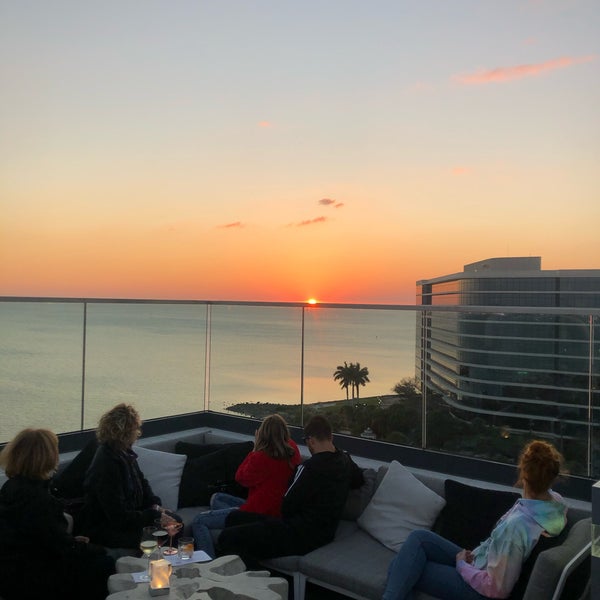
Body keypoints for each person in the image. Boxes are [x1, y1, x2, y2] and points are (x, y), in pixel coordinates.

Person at [381, 440, 568, 600]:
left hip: (480, 591)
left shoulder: (517, 527)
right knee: (418, 538)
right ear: (551, 478)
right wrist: (473, 558)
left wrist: (462, 566)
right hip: (480, 562)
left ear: (523, 475)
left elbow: (497, 589)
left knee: (400, 566)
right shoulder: (554, 504)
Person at [217, 414, 364, 565]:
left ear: (311, 441)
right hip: (323, 532)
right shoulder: (345, 460)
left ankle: (245, 576)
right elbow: (359, 480)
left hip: (300, 534)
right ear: (331, 437)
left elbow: (287, 505)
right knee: (234, 518)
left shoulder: (309, 468)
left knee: (228, 537)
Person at [0, 428, 115, 600]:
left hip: (9, 573)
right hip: (34, 579)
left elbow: (38, 537)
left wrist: (70, 541)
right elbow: (61, 548)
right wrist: (96, 549)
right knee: (105, 563)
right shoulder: (41, 500)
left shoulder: (9, 488)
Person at [191, 414, 302, 557]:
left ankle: (209, 563)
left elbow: (241, 478)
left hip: (256, 513)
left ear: (263, 434)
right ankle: (226, 522)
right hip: (278, 509)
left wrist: (255, 447)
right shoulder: (293, 449)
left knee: (198, 521)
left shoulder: (262, 456)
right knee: (216, 497)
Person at [76, 403, 178, 549]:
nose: (138, 433)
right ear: (126, 432)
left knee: (175, 521)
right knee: (162, 532)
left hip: (130, 518)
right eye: (136, 429)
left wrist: (156, 507)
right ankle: (157, 562)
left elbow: (142, 483)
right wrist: (153, 515)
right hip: (106, 527)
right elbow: (118, 516)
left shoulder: (125, 453)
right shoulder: (106, 464)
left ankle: (167, 561)